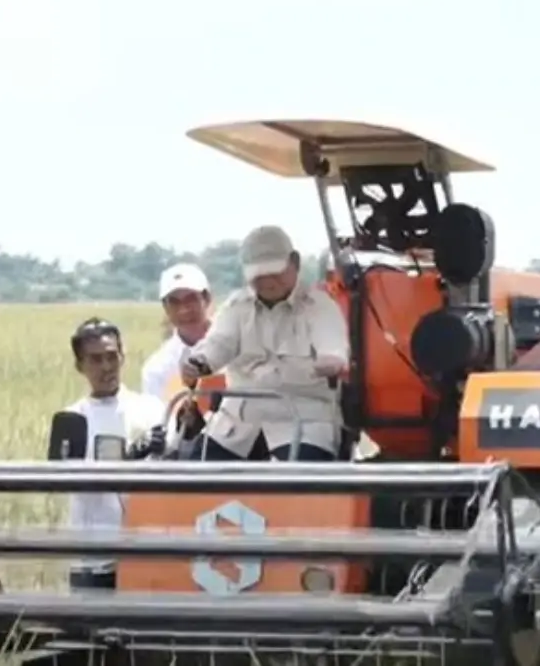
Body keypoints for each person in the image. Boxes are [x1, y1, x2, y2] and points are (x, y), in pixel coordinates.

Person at [181, 225, 350, 462]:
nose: (268, 282)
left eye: (275, 273)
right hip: (238, 420)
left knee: (299, 479)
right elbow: (219, 343)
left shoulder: (320, 307)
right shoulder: (236, 308)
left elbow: (332, 344)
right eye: (258, 276)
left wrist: (331, 360)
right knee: (196, 473)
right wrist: (200, 363)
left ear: (295, 262)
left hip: (303, 421)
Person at [62, 317, 167, 591]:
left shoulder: (152, 409)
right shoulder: (72, 420)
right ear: (80, 365)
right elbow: (66, 480)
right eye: (95, 359)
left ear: (123, 357)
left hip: (148, 549)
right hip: (93, 555)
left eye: (111, 357)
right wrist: (129, 459)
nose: (106, 367)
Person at [140, 262, 215, 403]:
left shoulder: (237, 347)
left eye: (191, 299)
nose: (184, 309)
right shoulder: (157, 368)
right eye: (174, 302)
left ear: (206, 298)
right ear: (165, 307)